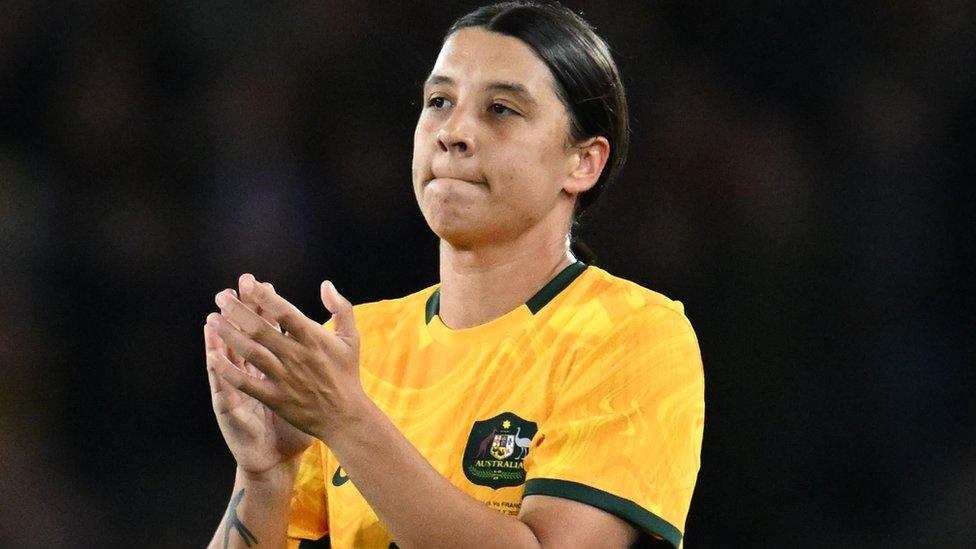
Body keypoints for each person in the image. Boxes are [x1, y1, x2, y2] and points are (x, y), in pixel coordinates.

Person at [203, 2, 704, 547]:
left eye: (502, 110)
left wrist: (347, 420)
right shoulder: (356, 349)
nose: (454, 131)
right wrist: (264, 476)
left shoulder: (632, 335)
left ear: (582, 162)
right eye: (439, 101)